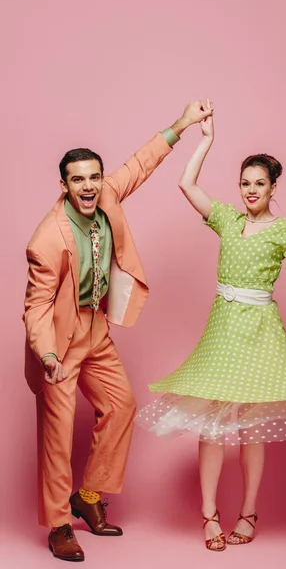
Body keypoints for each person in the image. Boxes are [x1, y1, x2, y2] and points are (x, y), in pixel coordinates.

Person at [136, 99, 286, 552]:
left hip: (260, 331)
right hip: (222, 330)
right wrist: (206, 140)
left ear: (274, 187)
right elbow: (185, 183)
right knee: (211, 424)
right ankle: (209, 515)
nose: (250, 190)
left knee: (253, 426)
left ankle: (249, 512)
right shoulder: (228, 219)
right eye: (244, 183)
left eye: (259, 183)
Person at [23, 100, 212, 562]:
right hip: (61, 345)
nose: (88, 186)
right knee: (58, 434)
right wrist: (48, 356)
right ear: (63, 186)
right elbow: (37, 306)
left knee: (121, 407)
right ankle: (59, 525)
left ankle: (88, 497)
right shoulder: (47, 239)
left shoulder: (107, 193)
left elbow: (140, 163)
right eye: (77, 179)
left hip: (97, 330)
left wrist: (182, 125)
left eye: (93, 177)